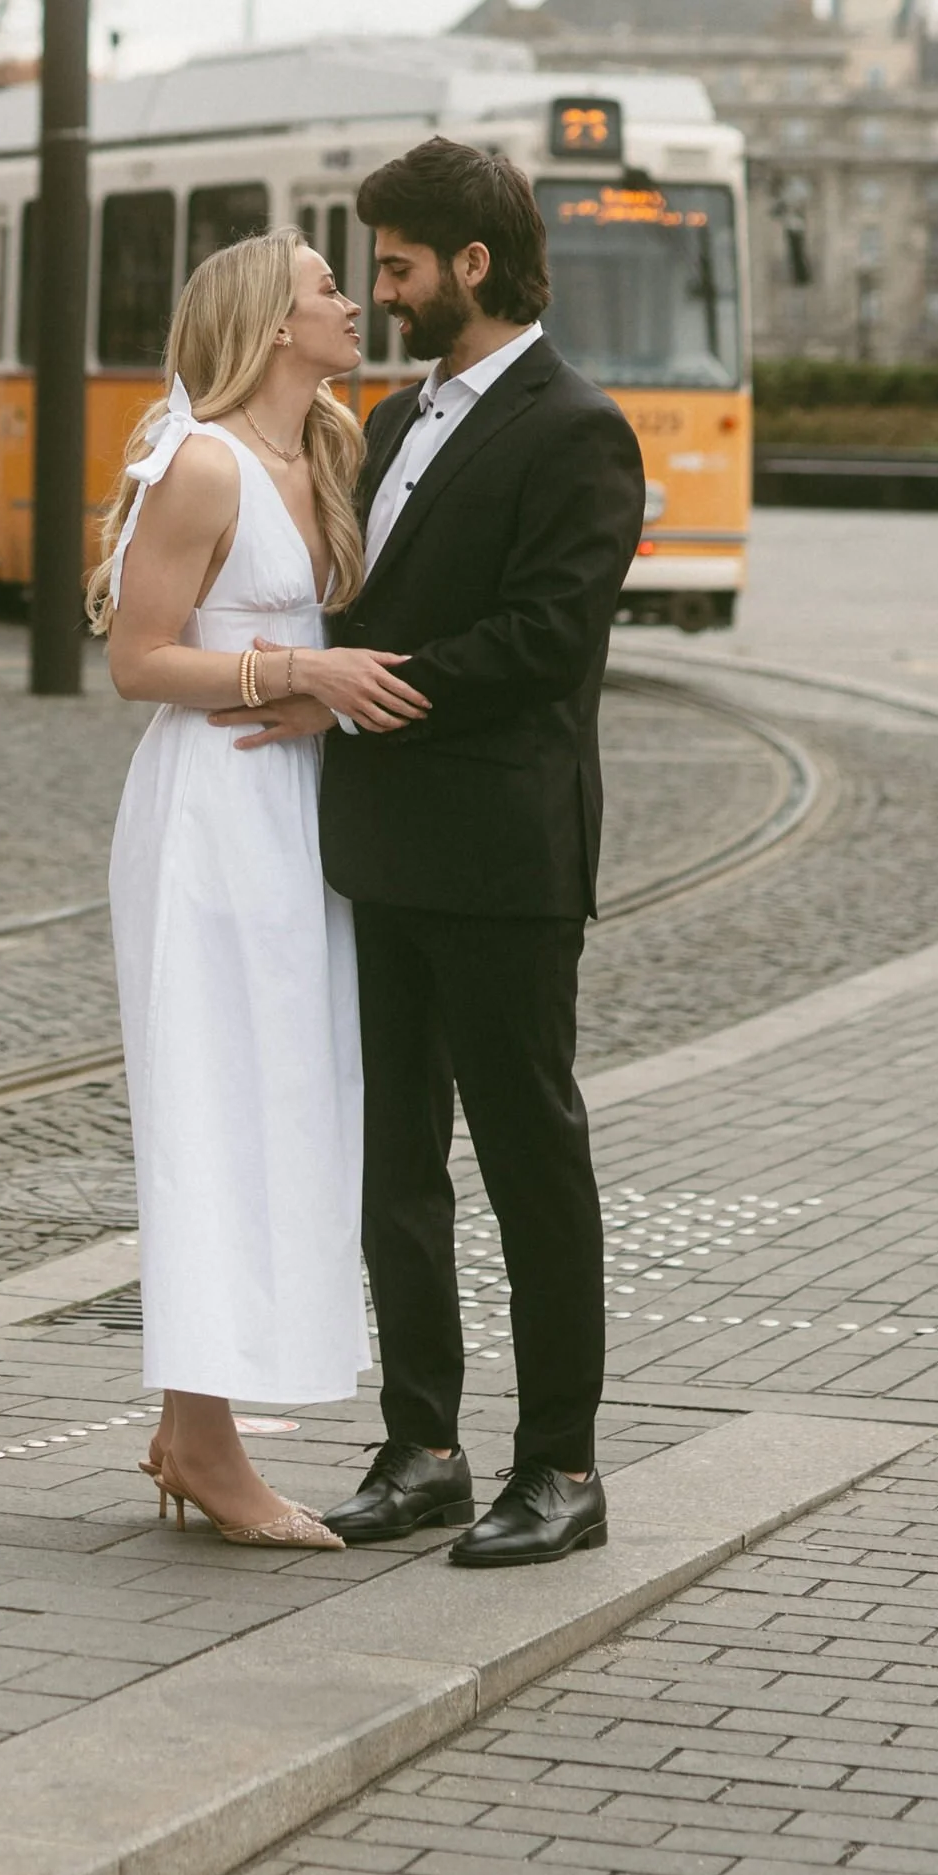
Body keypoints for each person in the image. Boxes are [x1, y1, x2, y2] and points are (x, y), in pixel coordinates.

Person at [223, 138, 643, 1570]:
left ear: (473, 262)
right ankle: (425, 1446)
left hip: (503, 857)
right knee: (394, 1158)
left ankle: (564, 1464)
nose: (383, 288)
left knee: (533, 1156)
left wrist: (363, 684)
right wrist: (303, 674)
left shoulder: (580, 426)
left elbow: (548, 637)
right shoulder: (393, 422)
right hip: (384, 845)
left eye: (397, 264)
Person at [92, 228, 428, 1546]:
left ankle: (193, 1425)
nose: (352, 303)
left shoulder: (326, 449)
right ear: (273, 324)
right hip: (210, 816)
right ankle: (212, 1449)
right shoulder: (203, 463)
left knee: (283, 1099)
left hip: (291, 808)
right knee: (212, 1106)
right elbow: (136, 660)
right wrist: (295, 677)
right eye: (327, 290)